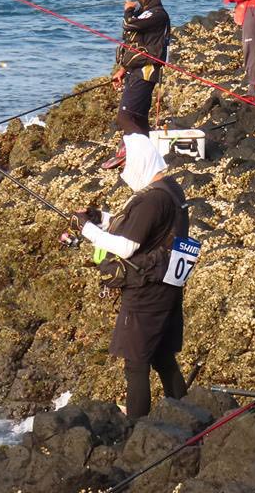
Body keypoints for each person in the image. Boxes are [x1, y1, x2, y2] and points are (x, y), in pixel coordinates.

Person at [77, 134, 196, 420]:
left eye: (123, 166)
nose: (122, 173)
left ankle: (137, 425)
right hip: (168, 285)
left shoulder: (151, 200)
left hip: (147, 290)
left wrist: (85, 229)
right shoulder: (170, 189)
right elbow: (144, 229)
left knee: (136, 363)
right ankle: (187, 416)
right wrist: (101, 218)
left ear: (139, 161)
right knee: (162, 356)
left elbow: (126, 247)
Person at [103, 0, 170, 169]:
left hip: (146, 71)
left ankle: (141, 155)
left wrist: (128, 10)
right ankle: (141, 156)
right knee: (139, 118)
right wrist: (122, 69)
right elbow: (135, 43)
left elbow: (129, 24)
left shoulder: (157, 14)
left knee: (124, 117)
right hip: (135, 70)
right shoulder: (145, 13)